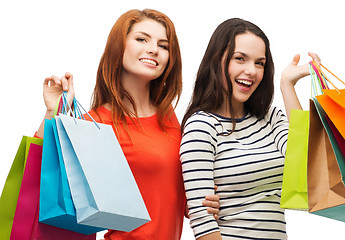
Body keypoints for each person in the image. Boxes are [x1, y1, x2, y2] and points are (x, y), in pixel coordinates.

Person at [36, 9, 219, 240]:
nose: (153, 49)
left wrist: (203, 201)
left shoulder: (169, 117)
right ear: (119, 46)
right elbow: (40, 174)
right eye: (142, 39)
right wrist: (53, 110)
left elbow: (171, 198)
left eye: (163, 45)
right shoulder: (96, 123)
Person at [180, 18, 320, 239]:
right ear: (217, 60)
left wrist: (287, 86)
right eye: (240, 59)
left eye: (259, 63)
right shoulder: (202, 126)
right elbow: (203, 220)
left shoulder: (270, 118)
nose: (251, 71)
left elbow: (308, 165)